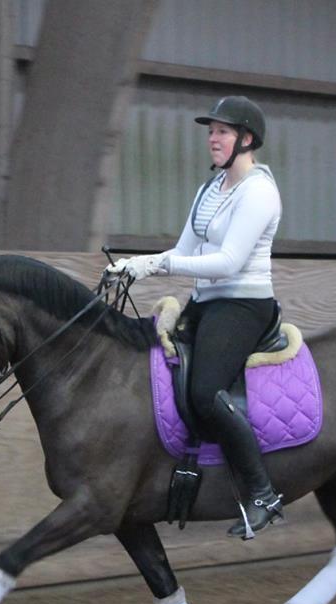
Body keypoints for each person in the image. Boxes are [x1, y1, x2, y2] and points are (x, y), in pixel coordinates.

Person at [107, 95, 284, 538]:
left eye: (222, 132)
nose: (213, 139)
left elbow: (228, 262)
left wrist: (158, 265)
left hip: (244, 304)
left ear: (246, 139)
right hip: (206, 301)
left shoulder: (259, 192)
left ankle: (263, 493)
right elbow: (184, 250)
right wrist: (135, 265)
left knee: (205, 392)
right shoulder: (209, 190)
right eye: (211, 132)